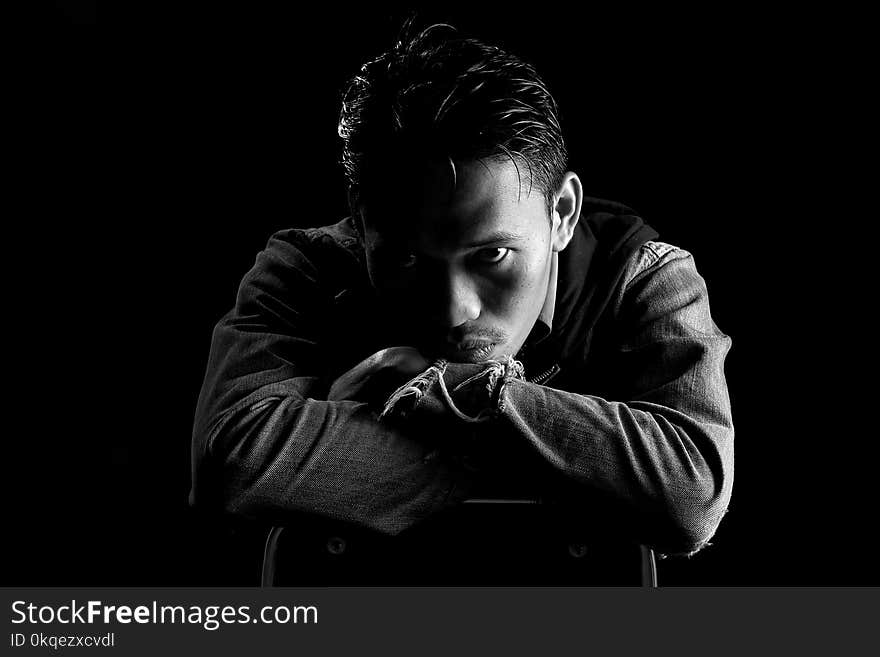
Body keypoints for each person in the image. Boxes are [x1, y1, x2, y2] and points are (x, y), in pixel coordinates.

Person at [190, 22, 734, 574]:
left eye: (491, 256)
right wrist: (579, 468)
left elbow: (687, 494)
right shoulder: (303, 272)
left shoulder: (641, 278)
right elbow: (233, 466)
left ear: (563, 213)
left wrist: (437, 392)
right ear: (360, 219)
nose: (455, 311)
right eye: (405, 260)